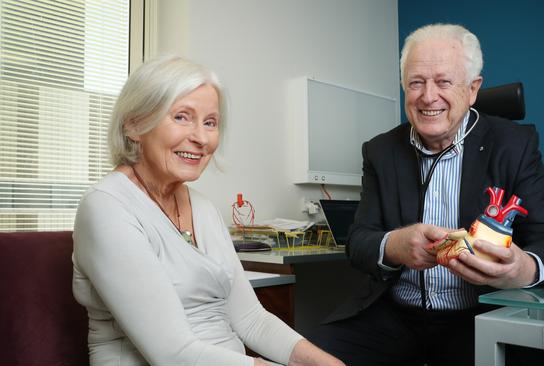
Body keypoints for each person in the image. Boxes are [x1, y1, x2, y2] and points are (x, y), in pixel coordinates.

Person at [307, 23, 544, 365]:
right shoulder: (380, 150)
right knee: (305, 357)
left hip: (481, 315)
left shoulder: (514, 145)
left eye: (444, 82)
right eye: (416, 83)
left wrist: (520, 269)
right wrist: (395, 245)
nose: (428, 96)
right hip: (395, 316)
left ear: (473, 89)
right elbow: (358, 241)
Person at [72, 55, 343, 366]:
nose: (201, 138)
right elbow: (172, 354)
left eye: (210, 122)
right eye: (181, 117)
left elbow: (251, 319)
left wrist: (326, 363)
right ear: (134, 124)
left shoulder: (202, 206)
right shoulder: (106, 206)